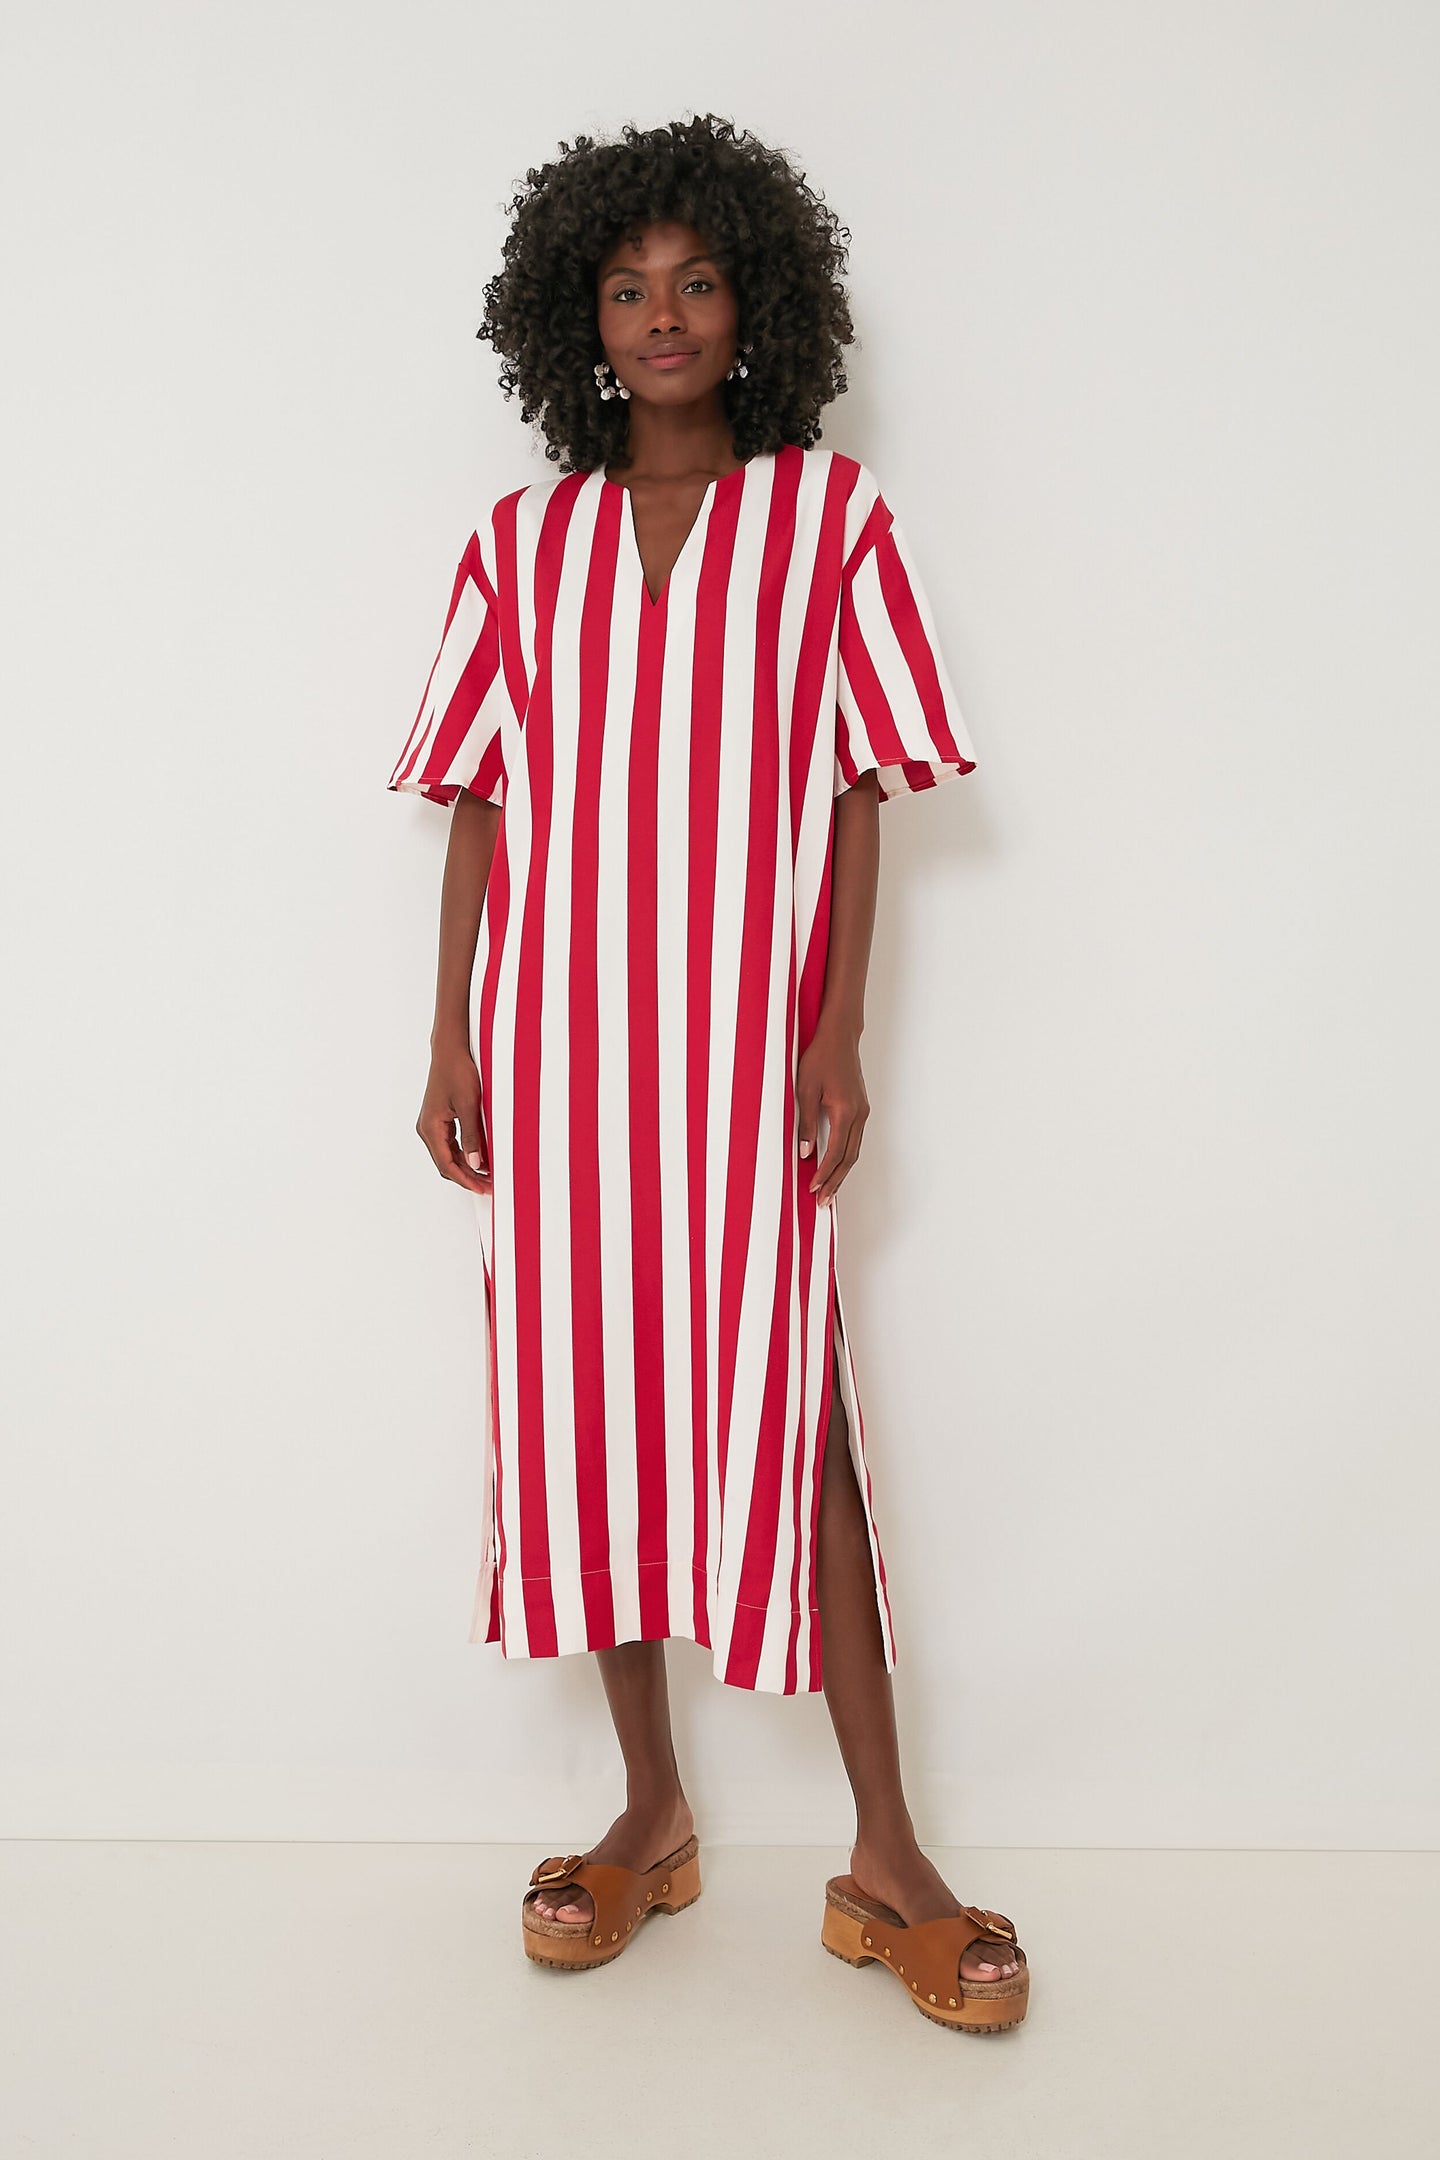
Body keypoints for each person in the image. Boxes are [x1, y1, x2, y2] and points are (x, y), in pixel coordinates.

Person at [386, 114, 1028, 2033]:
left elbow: (861, 785)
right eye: (624, 288)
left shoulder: (829, 523)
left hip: (745, 1058)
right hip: (563, 1060)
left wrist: (836, 1030)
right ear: (577, 323)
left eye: (696, 281)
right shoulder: (523, 546)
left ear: (756, 308)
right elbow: (480, 800)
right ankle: (650, 1811)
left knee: (790, 1419)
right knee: (583, 1412)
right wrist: (451, 1031)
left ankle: (887, 1855)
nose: (661, 314)